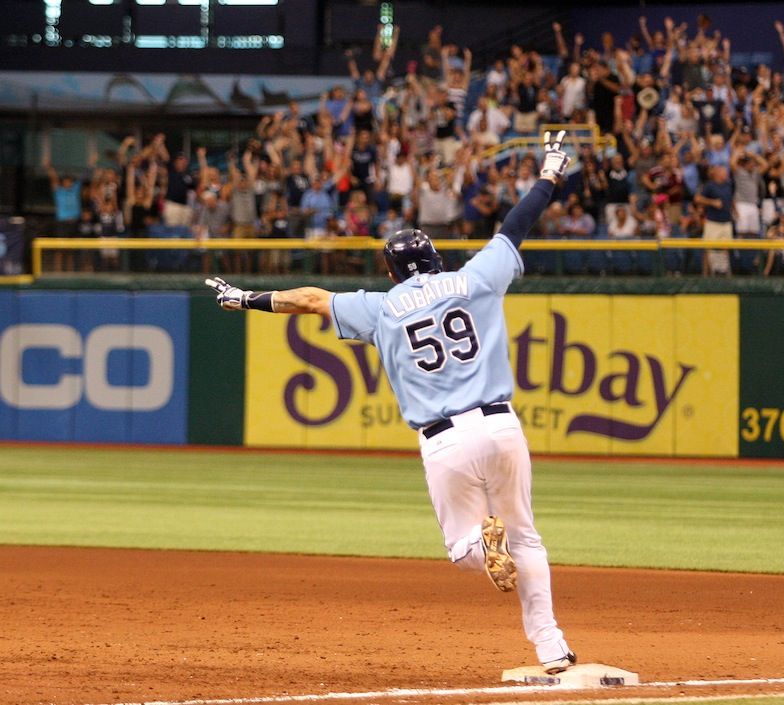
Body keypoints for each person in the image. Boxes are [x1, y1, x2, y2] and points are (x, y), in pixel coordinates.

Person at [205, 131, 577, 675]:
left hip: (444, 440)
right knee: (527, 538)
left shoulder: (382, 307)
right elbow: (516, 225)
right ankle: (551, 648)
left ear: (393, 271)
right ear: (434, 258)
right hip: (502, 428)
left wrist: (248, 299)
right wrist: (549, 172)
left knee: (466, 549)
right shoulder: (473, 279)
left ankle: (480, 542)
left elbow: (309, 300)